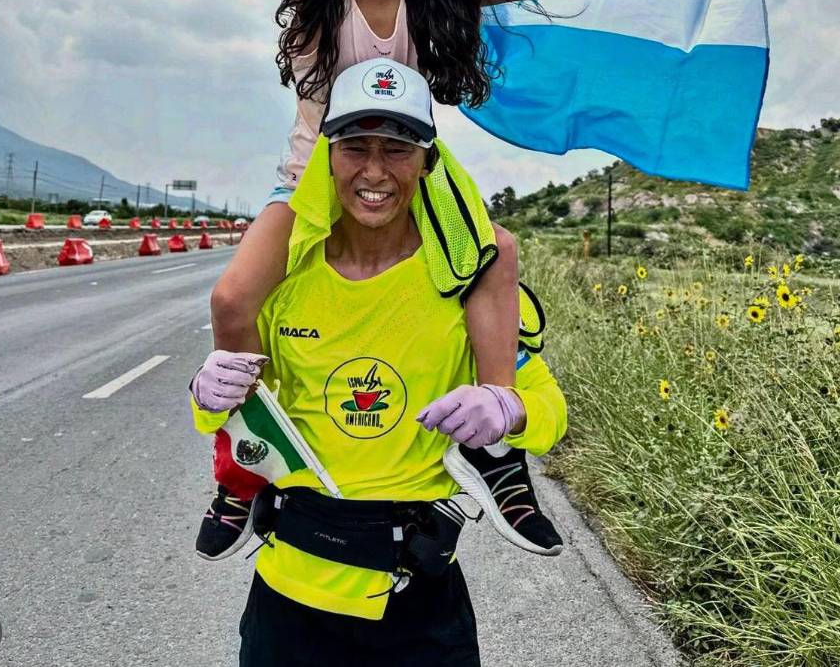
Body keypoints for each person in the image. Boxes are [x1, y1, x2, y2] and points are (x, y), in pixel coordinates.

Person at [17, 0, 723, 552]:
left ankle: (494, 444)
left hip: (415, 169)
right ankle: (243, 471)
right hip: (314, 172)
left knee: (499, 257)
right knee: (232, 299)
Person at [188, 60, 569, 665]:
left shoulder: (464, 279)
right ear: (326, 156)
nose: (373, 171)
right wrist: (205, 392)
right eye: (355, 147)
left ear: (426, 161)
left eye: (396, 149)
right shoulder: (286, 275)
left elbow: (547, 410)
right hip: (288, 600)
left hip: (418, 607)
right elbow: (237, 420)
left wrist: (507, 407)